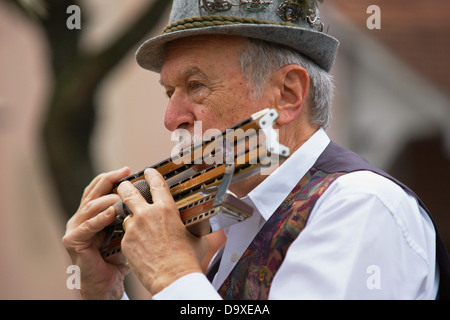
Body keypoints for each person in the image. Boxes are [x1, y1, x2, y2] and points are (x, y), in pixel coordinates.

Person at [62, 0, 449, 299]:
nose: (172, 117)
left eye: (195, 85)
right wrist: (109, 293)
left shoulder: (360, 207)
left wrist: (171, 273)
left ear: (287, 94)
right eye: (169, 92)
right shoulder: (244, 223)